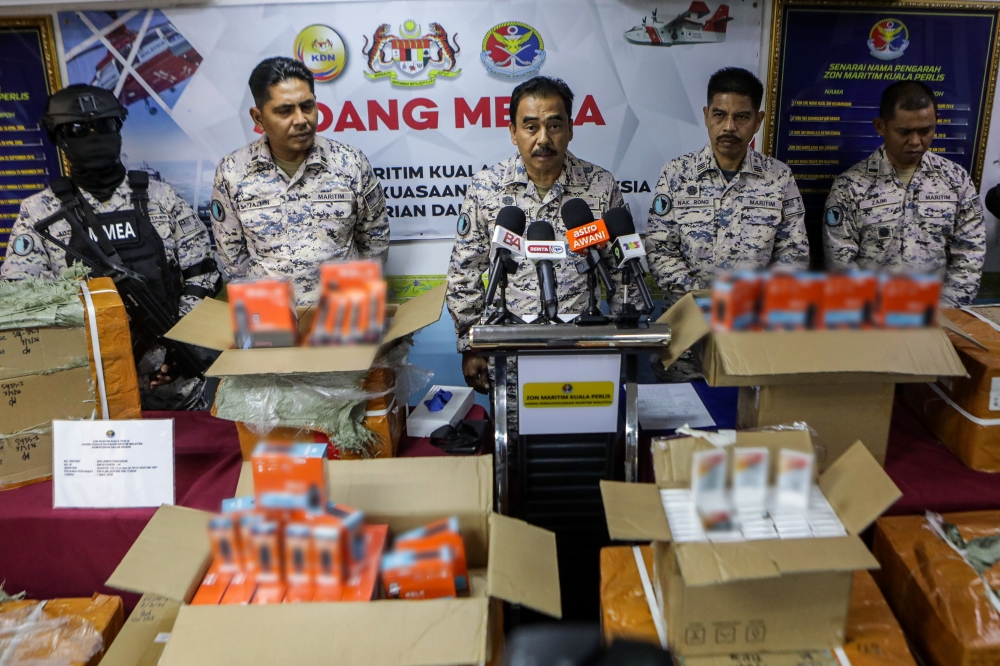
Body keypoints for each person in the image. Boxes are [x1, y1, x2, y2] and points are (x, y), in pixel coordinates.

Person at [1, 84, 220, 410]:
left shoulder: (160, 197)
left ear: (118, 129)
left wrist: (181, 348)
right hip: (91, 393)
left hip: (176, 391)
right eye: (78, 129)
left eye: (104, 126)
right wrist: (88, 344)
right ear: (58, 137)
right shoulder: (40, 211)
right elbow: (22, 299)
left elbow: (203, 274)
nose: (93, 137)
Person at [446, 76, 627, 393]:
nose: (543, 139)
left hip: (587, 350)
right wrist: (470, 344)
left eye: (554, 126)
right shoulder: (486, 188)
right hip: (509, 353)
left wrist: (625, 341)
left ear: (570, 129)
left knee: (592, 425)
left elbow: (622, 270)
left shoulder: (601, 185)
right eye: (531, 127)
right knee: (514, 427)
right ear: (513, 133)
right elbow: (464, 272)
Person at [211, 57, 389, 306]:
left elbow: (374, 239)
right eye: (285, 111)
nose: (301, 120)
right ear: (258, 118)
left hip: (343, 313)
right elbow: (232, 254)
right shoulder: (232, 172)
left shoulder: (350, 163)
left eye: (307, 107)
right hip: (271, 315)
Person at [646, 67, 809, 304]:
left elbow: (793, 252)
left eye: (741, 117)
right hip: (690, 314)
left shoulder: (779, 177)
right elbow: (660, 249)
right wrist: (702, 301)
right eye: (719, 115)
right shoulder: (676, 174)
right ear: (706, 116)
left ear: (758, 121)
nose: (729, 127)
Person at [824, 81, 985, 306]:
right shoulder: (850, 186)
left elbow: (970, 252)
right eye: (905, 132)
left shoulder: (956, 181)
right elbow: (840, 260)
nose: (915, 141)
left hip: (939, 313)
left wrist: (946, 311)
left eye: (925, 130)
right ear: (881, 126)